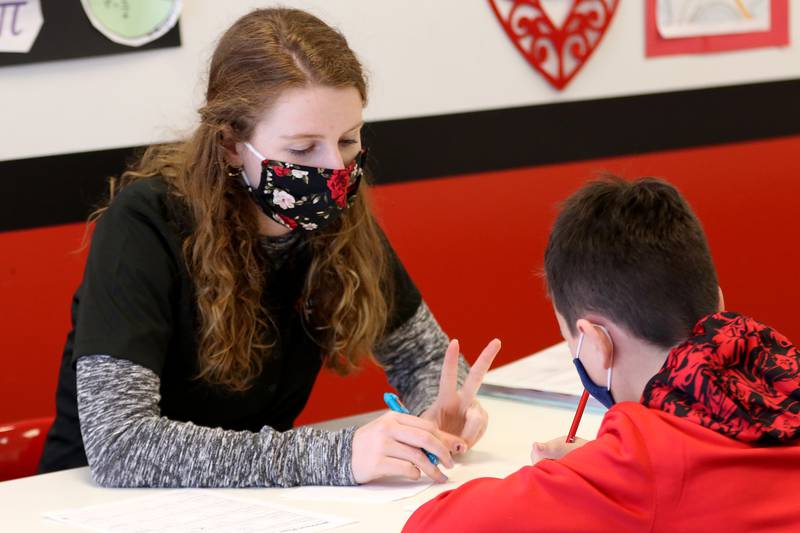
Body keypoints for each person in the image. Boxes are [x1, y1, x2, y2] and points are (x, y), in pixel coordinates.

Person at [39, 8, 501, 488]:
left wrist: (433, 416)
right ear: (231, 144)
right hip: (90, 505)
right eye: (302, 151)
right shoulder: (146, 223)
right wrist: (337, 456)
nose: (333, 171)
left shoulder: (335, 213)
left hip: (254, 504)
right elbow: (120, 445)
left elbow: (422, 358)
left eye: (347, 140)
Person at [404, 177, 800, 532]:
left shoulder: (642, 465)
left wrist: (590, 473)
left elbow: (432, 525)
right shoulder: (783, 376)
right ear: (717, 301)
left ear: (596, 342)